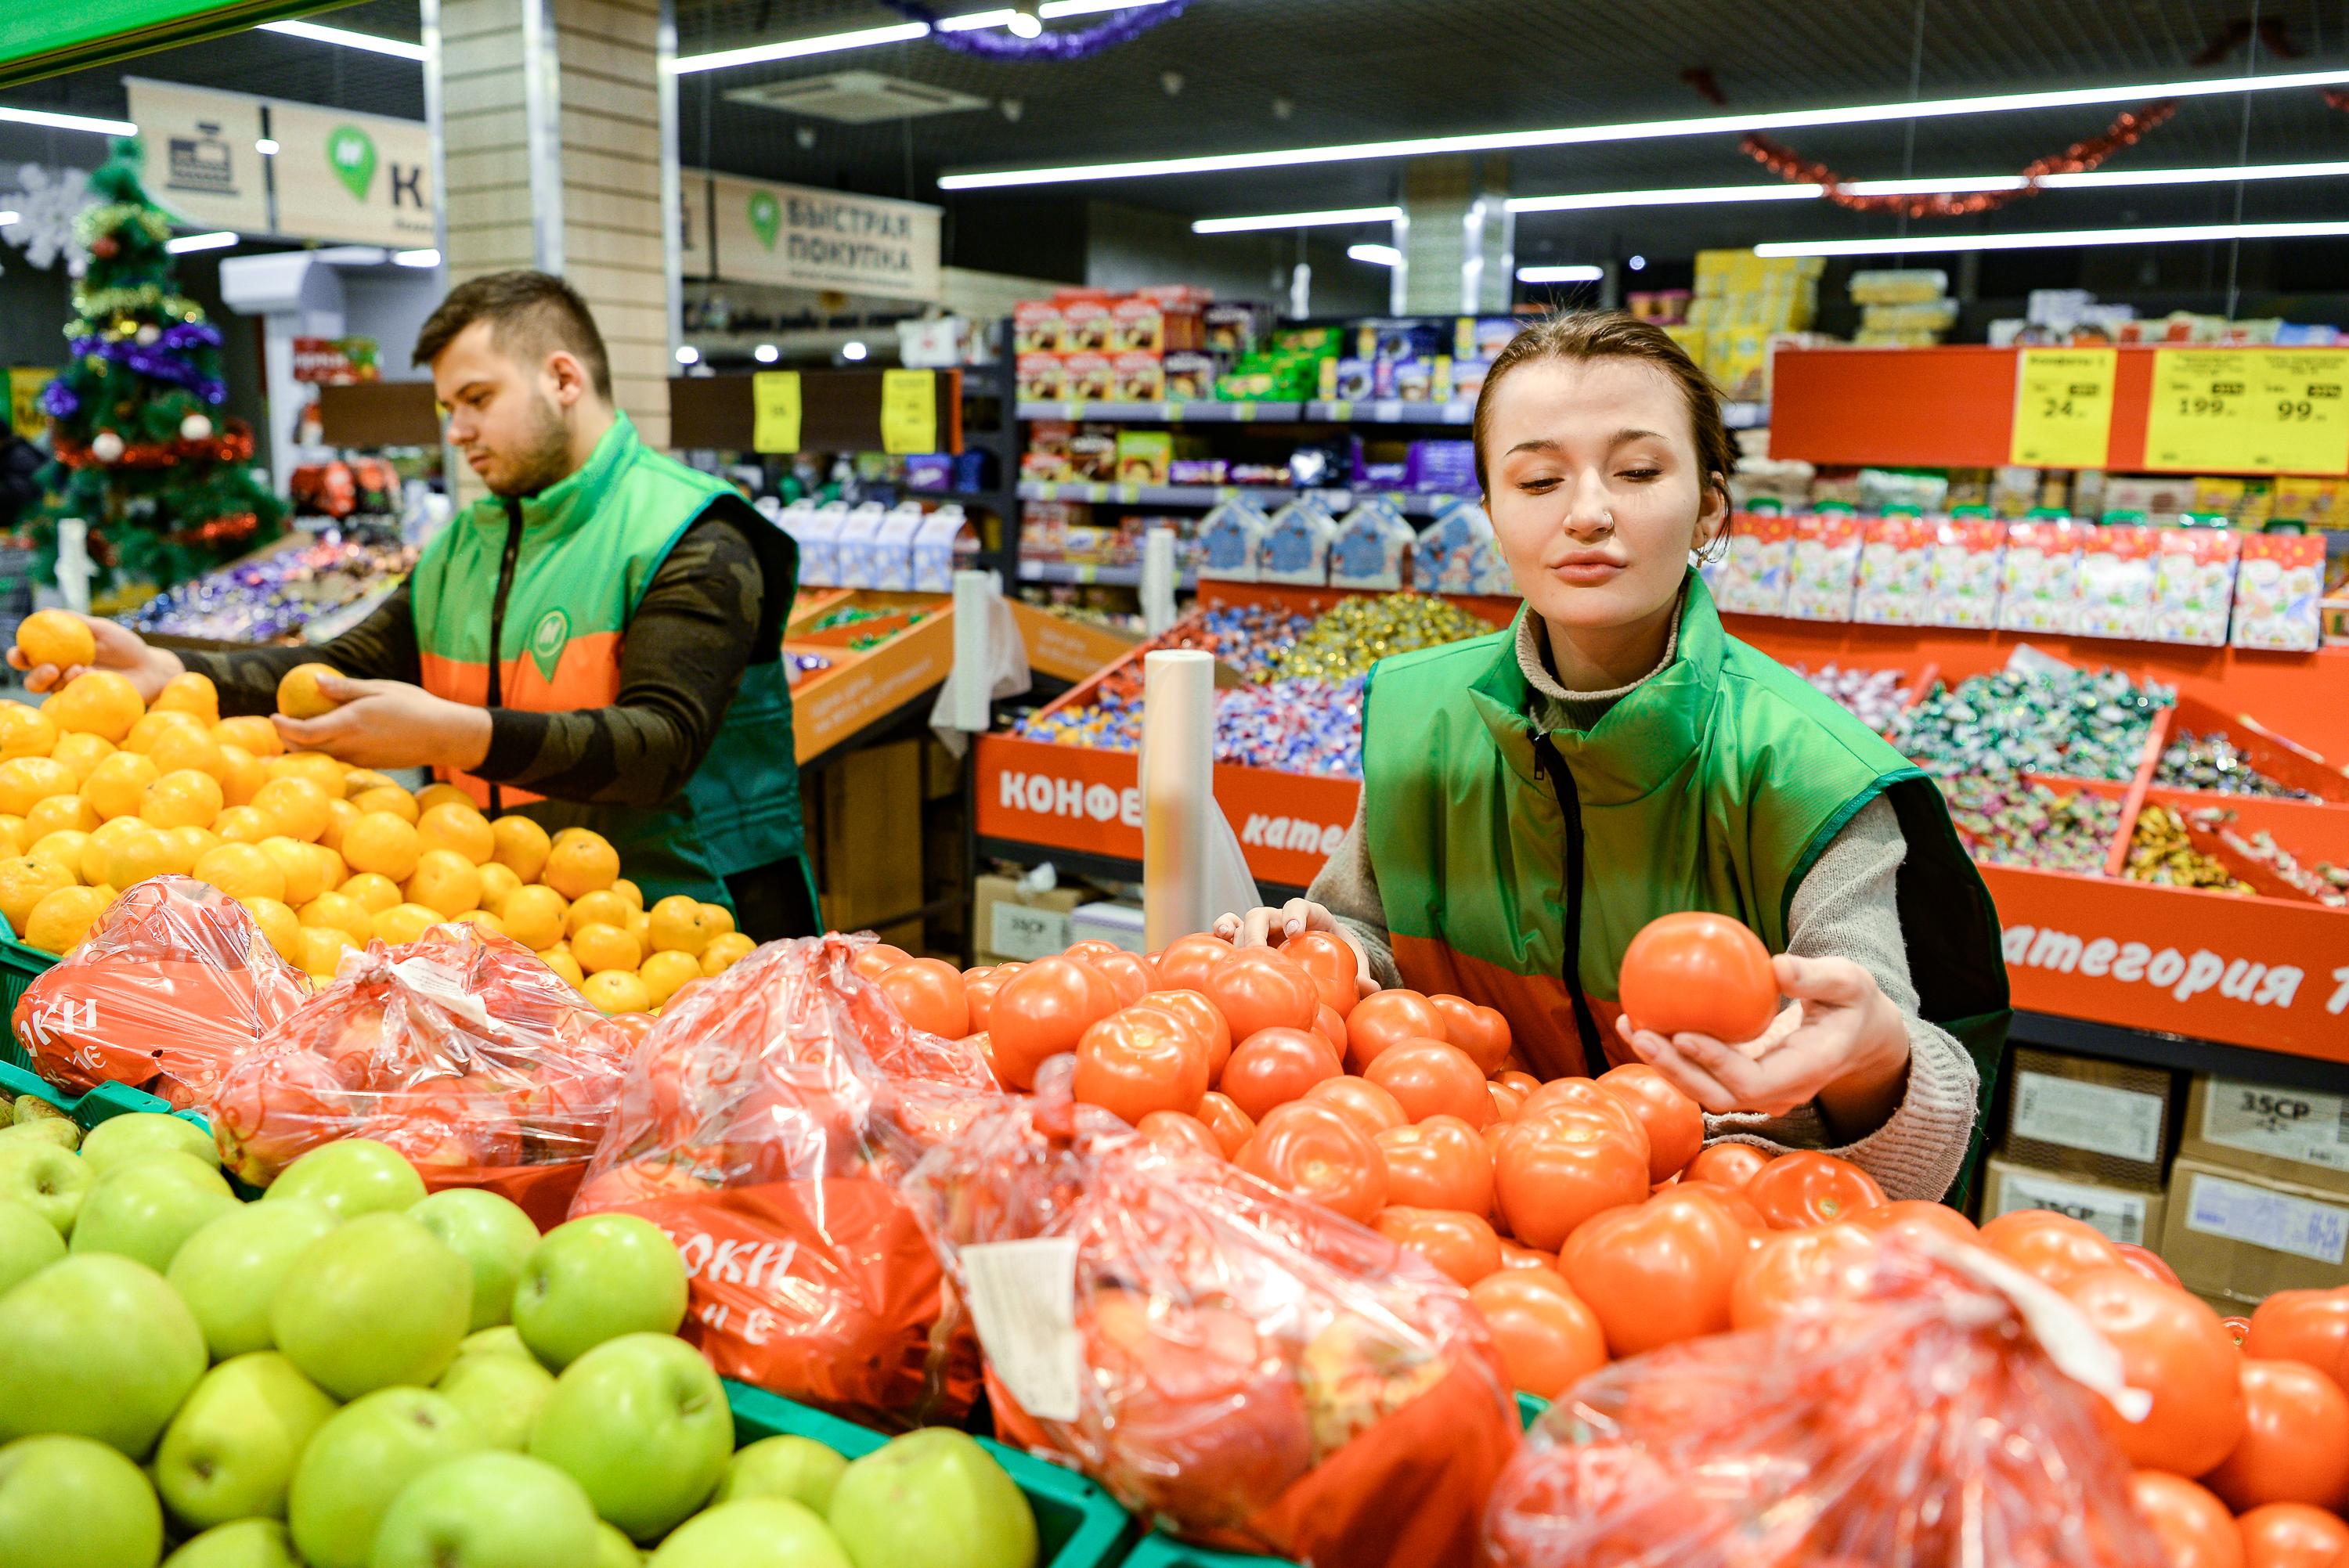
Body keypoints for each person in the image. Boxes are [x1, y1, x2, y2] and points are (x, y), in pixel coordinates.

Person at [1216, 312, 2008, 1202]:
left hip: (1707, 1242)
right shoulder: (1419, 716)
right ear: (1491, 511)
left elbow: (1893, 1057)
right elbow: (1369, 935)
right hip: (1454, 1209)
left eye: (1637, 471)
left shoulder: (1811, 770)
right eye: (1539, 477)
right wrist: (1317, 955)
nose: (1588, 512)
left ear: (1711, 503)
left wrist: (1876, 1060)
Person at [8, 270, 817, 939]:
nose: (457, 430)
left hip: (689, 926)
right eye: (448, 408)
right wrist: (164, 668)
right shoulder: (471, 539)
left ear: (563, 378)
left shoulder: (695, 532)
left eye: (477, 397)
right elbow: (343, 665)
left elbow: (662, 742)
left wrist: (448, 732)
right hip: (510, 920)